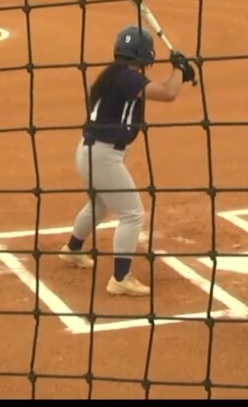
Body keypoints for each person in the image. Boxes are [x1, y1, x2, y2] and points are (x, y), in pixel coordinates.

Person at [59, 25, 196, 297]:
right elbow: (168, 93)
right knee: (132, 213)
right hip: (103, 156)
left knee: (98, 204)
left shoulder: (114, 75)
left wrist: (178, 71)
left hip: (88, 152)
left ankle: (73, 250)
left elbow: (164, 89)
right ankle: (121, 278)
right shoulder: (128, 78)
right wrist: (179, 69)